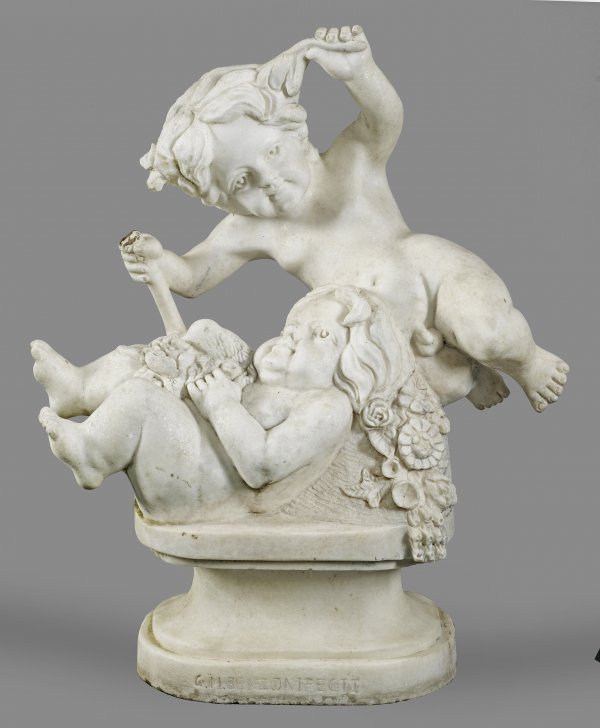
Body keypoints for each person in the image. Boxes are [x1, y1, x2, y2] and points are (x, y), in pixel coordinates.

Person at [122, 25, 568, 413]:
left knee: (490, 335)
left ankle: (529, 361)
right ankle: (470, 376)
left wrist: (359, 72)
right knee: (420, 388)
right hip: (376, 325)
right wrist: (159, 262)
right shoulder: (250, 229)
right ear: (223, 201)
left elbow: (385, 119)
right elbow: (194, 277)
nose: (268, 180)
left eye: (272, 152)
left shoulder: (349, 162)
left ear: (294, 132)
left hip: (429, 272)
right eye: (242, 181)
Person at [35, 286, 413, 524]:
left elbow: (262, 467)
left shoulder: (327, 407)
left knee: (141, 398)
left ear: (353, 365)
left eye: (321, 334)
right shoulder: (264, 380)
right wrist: (184, 363)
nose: (293, 337)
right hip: (194, 459)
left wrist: (220, 404)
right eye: (292, 327)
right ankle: (77, 389)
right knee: (144, 357)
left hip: (207, 492)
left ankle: (92, 456)